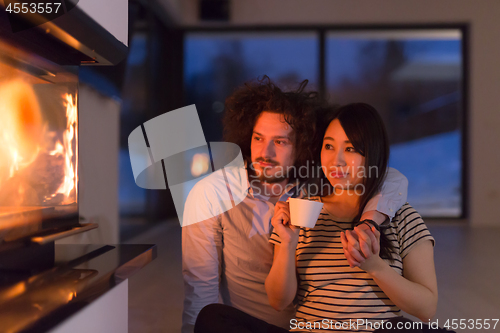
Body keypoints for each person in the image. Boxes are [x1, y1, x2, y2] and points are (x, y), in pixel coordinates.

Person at [182, 79, 409, 333]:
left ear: (303, 145)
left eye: (280, 142)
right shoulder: (212, 193)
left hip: (316, 325)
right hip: (253, 327)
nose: (264, 152)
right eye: (258, 138)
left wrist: (369, 221)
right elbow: (200, 290)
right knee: (211, 317)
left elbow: (390, 177)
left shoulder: (316, 183)